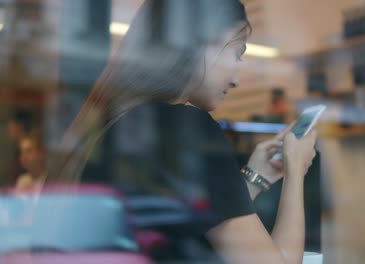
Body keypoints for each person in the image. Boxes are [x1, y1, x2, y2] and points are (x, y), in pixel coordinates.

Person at [48, 1, 318, 263]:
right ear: (201, 44)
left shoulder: (121, 121)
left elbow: (187, 230)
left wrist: (256, 177)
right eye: (236, 54)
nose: (236, 78)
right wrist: (296, 170)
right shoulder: (183, 126)